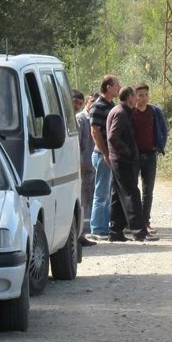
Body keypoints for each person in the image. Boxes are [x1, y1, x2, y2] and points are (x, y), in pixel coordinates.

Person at [105, 86, 156, 242]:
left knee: (118, 195)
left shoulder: (121, 111)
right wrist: (128, 152)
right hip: (122, 160)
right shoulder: (120, 113)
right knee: (132, 194)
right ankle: (138, 231)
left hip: (119, 160)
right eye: (135, 97)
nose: (137, 100)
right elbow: (113, 137)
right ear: (129, 98)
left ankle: (115, 231)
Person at [131, 83, 168, 232]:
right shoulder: (131, 112)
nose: (143, 98)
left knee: (148, 191)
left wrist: (159, 147)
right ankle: (133, 222)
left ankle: (145, 222)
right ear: (134, 96)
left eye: (146, 94)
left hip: (150, 156)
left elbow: (164, 130)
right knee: (133, 189)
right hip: (134, 157)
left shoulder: (154, 111)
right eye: (140, 95)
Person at [88, 75, 120, 240]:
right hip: (102, 155)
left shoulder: (110, 105)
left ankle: (104, 226)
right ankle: (97, 229)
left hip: (109, 155)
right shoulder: (98, 106)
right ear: (108, 87)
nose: (119, 88)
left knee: (107, 192)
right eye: (117, 85)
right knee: (101, 193)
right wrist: (106, 153)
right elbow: (95, 132)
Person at [72, 90, 97, 247]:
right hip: (81, 166)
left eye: (80, 103)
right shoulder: (80, 119)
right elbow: (77, 144)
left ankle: (82, 233)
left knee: (87, 200)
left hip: (90, 165)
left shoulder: (90, 119)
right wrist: (80, 163)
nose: (78, 105)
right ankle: (79, 234)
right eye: (76, 101)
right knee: (81, 200)